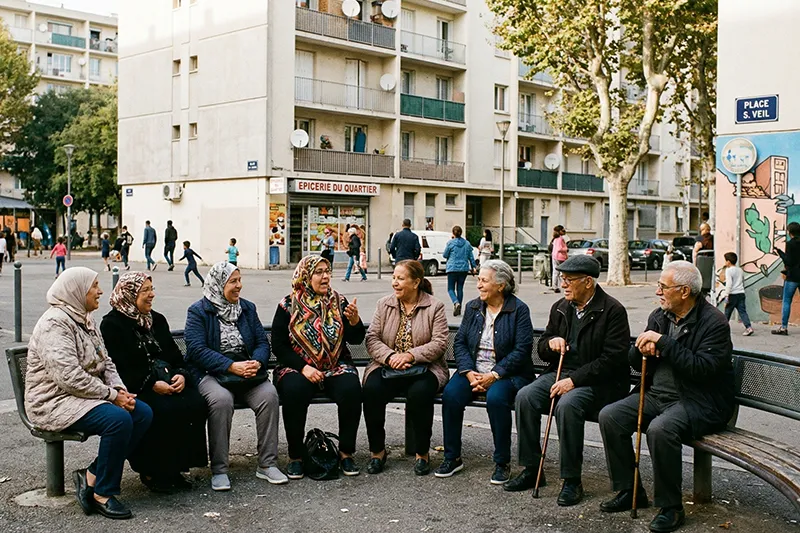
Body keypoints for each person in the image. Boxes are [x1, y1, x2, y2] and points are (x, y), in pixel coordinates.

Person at [598, 261, 734, 533]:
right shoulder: (659, 316)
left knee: (660, 430)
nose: (658, 291)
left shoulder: (714, 323)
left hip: (698, 400)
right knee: (610, 416)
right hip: (656, 395)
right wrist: (641, 349)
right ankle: (630, 491)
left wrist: (664, 343)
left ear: (684, 291)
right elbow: (634, 361)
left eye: (663, 286)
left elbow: (702, 369)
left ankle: (671, 507)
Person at [24, 267, 153, 519]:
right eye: (94, 286)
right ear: (77, 290)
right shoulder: (54, 324)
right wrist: (112, 396)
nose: (100, 291)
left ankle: (91, 475)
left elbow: (107, 362)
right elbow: (69, 377)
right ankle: (102, 493)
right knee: (118, 420)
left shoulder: (84, 318)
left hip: (82, 395)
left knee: (142, 413)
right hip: (53, 401)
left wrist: (120, 390)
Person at [504, 256, 631, 506]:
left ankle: (571, 480)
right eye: (562, 278)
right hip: (562, 373)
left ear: (588, 282)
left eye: (569, 280)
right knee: (526, 397)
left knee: (568, 405)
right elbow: (542, 348)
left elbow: (612, 360)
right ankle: (532, 469)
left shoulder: (613, 310)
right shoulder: (561, 307)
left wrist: (573, 380)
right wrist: (551, 344)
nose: (563, 284)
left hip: (601, 382)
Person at [100, 272, 208, 493]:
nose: (152, 295)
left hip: (166, 381)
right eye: (145, 291)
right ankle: (152, 471)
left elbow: (174, 355)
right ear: (130, 294)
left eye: (152, 289)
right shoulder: (112, 324)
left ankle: (176, 468)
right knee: (160, 409)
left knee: (194, 402)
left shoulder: (156, 319)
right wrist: (151, 384)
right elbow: (118, 367)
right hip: (135, 386)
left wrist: (181, 375)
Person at [185, 262, 287, 491]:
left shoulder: (247, 308)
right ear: (218, 284)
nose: (239, 286)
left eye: (240, 280)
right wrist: (231, 366)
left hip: (247, 373)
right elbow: (196, 350)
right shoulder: (198, 311)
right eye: (233, 281)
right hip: (212, 373)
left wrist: (257, 362)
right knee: (221, 400)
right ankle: (220, 469)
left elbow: (262, 342)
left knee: (269, 396)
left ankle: (267, 464)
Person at [435, 260, 534, 484]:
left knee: (497, 398)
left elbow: (522, 350)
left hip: (507, 373)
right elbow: (460, 343)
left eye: (484, 280)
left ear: (501, 285)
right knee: (451, 395)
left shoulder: (519, 309)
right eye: (478, 279)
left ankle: (502, 462)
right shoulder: (473, 307)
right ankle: (452, 457)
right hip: (474, 371)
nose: (478, 285)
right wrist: (468, 371)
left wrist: (495, 374)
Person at [271, 255, 365, 479]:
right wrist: (304, 367)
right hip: (298, 366)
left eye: (327, 271)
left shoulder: (339, 302)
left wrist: (354, 322)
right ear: (306, 276)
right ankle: (296, 457)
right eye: (319, 272)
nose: (325, 277)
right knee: (294, 389)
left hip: (334, 365)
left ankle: (346, 453)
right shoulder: (288, 304)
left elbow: (356, 339)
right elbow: (279, 345)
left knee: (351, 388)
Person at [363, 260, 449, 476]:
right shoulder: (384, 304)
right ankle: (377, 452)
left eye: (400, 278)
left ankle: (422, 453)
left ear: (416, 282)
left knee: (420, 393)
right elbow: (372, 338)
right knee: (371, 390)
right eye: (394, 277)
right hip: (387, 365)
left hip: (424, 367)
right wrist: (391, 357)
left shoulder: (434, 306)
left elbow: (439, 343)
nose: (395, 282)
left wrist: (410, 355)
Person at [772, 222, 800, 335]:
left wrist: (779, 252)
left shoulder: (790, 244)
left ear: (790, 232)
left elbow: (789, 261)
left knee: (787, 300)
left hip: (792, 276)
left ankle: (784, 327)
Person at [443, 225, 477, 317]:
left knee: (450, 288)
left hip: (452, 268)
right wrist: (473, 267)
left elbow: (445, 255)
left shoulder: (450, 243)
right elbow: (471, 256)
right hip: (463, 269)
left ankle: (455, 302)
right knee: (460, 288)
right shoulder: (467, 243)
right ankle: (459, 308)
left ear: (453, 233)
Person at [719, 252, 754, 336]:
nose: (725, 262)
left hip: (732, 294)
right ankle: (748, 327)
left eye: (725, 261)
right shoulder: (740, 270)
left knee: (727, 313)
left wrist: (726, 296)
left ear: (728, 262)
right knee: (742, 312)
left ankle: (722, 330)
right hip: (741, 293)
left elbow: (729, 284)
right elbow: (742, 281)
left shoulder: (728, 270)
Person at [550, 226, 568, 293]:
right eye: (563, 230)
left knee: (555, 272)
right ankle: (565, 285)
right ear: (560, 231)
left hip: (554, 256)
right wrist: (566, 249)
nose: (564, 231)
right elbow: (559, 248)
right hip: (561, 257)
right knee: (563, 272)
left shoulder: (554, 239)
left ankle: (555, 286)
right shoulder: (561, 239)